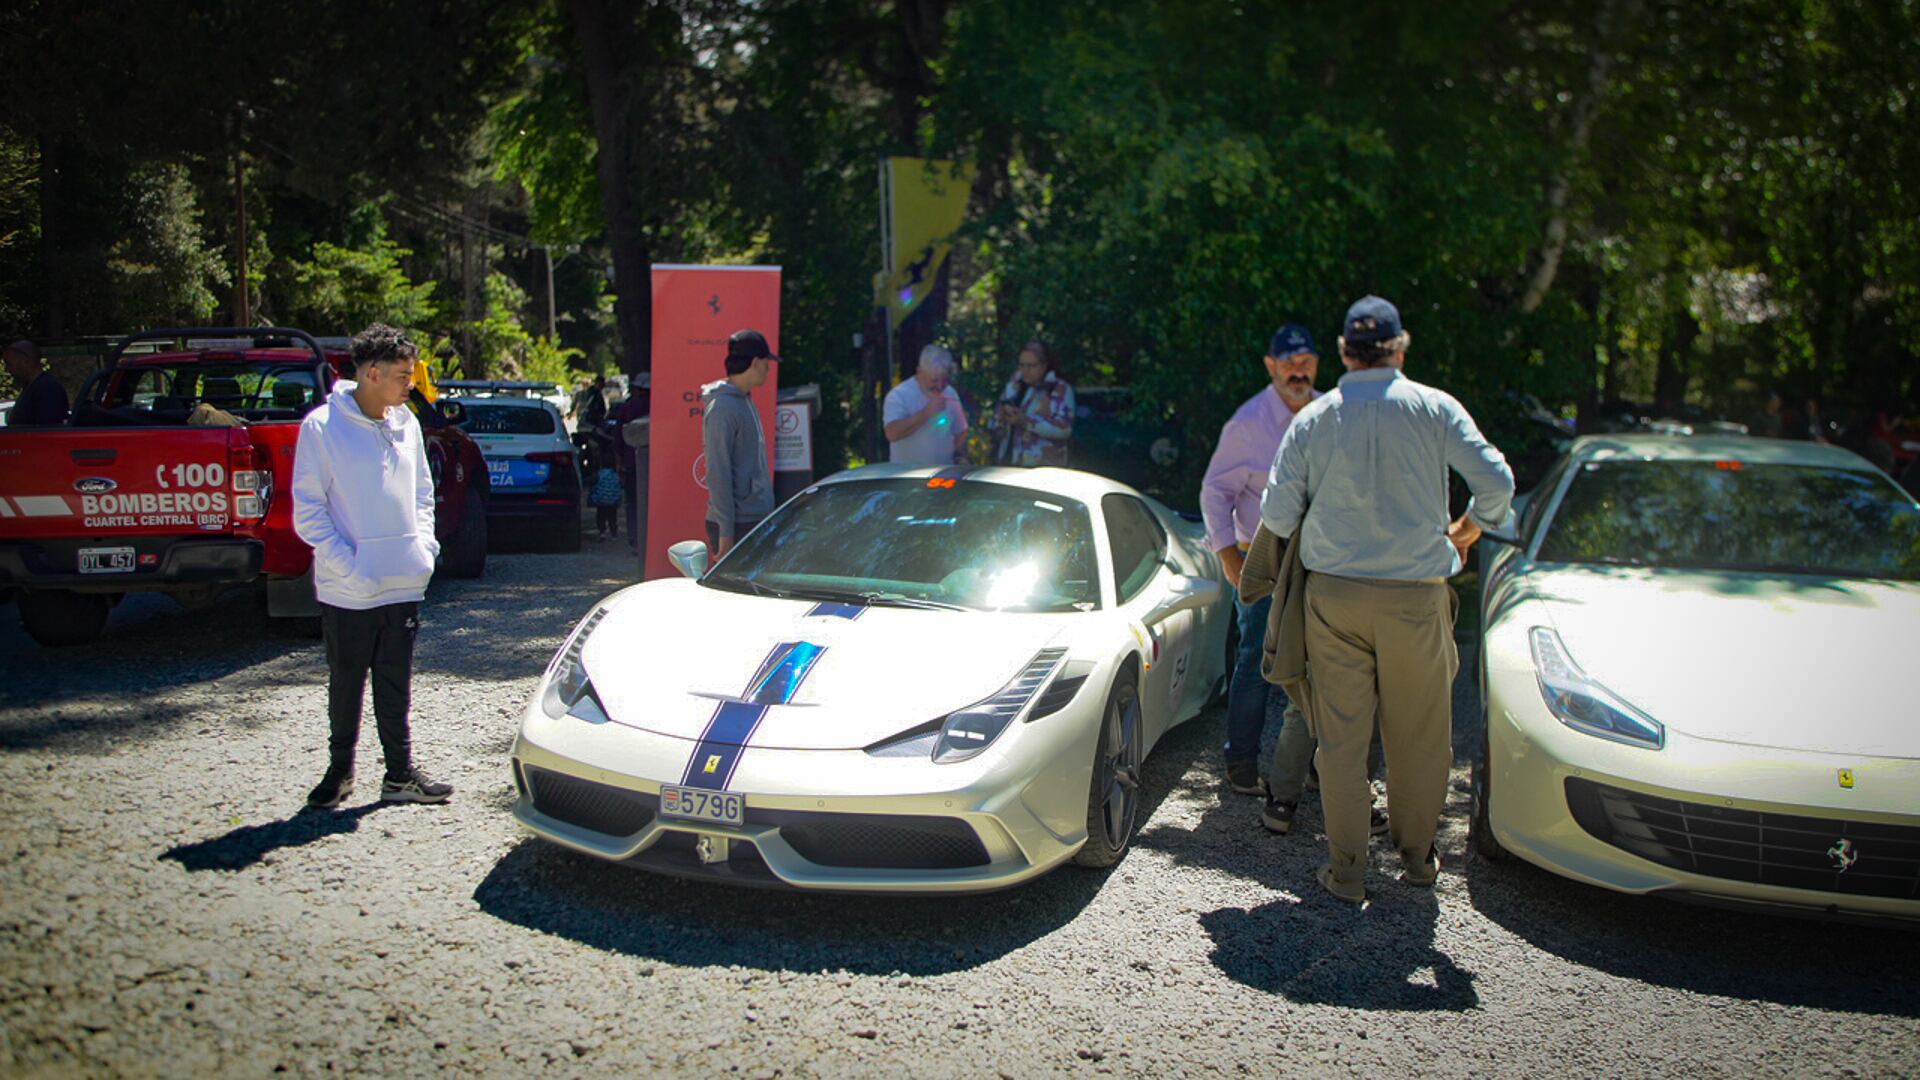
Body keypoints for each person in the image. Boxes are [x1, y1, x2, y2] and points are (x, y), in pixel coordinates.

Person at [1260, 296, 1514, 902]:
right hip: (1416, 598)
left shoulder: (1314, 419)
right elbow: (1498, 483)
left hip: (1335, 599)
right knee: (1420, 741)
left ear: (1344, 352)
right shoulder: (1434, 407)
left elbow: (1276, 513)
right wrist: (1470, 528)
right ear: (1400, 348)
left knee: (1342, 742)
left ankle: (1347, 872)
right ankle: (1419, 861)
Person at [293, 324, 453, 810]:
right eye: (404, 376)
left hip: (402, 583)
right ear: (371, 373)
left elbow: (424, 493)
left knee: (395, 681)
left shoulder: (407, 423)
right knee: (346, 681)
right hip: (350, 588)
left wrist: (425, 548)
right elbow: (308, 510)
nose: (412, 385)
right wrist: (348, 566)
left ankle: (400, 775)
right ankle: (339, 773)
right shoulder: (321, 427)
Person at [1200, 324, 1320, 795]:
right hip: (1261, 556)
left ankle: (1316, 766)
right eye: (1288, 363)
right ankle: (1242, 763)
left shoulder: (1332, 413)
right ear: (1271, 365)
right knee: (1256, 660)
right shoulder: (1249, 422)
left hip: (1318, 561)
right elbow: (1214, 491)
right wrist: (1228, 556)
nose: (1298, 371)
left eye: (1306, 361)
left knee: (1321, 662)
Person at [703, 329, 777, 557]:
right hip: (738, 526)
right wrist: (726, 533)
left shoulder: (743, 400)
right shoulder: (723, 408)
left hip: (753, 519)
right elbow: (718, 472)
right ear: (755, 362)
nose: (769, 368)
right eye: (767, 362)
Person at [884, 345, 970, 466]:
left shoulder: (950, 393)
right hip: (907, 477)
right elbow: (892, 433)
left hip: (942, 476)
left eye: (944, 380)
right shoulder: (899, 395)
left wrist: (958, 456)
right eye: (934, 380)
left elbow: (961, 431)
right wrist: (926, 413)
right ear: (920, 372)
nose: (940, 386)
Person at [992, 340, 1074, 466]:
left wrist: (1026, 421)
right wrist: (1001, 419)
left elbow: (1064, 429)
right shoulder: (1014, 386)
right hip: (1011, 464)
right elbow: (995, 421)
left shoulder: (1059, 389)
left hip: (1045, 467)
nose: (1025, 370)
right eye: (1022, 365)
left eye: (1031, 366)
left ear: (1044, 366)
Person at [4, 340, 69, 427]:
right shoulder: (33, 388)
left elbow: (48, 431)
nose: (8, 370)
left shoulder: (47, 389)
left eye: (9, 364)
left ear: (25, 362)